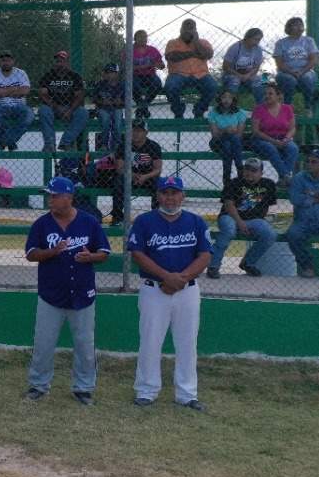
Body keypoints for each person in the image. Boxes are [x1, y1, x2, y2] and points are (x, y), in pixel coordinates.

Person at [23, 177, 110, 405]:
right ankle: (38, 385)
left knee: (84, 344)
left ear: (69, 198)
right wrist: (52, 252)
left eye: (54, 195)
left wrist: (91, 257)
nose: (50, 199)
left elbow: (104, 252)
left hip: (82, 293)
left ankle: (83, 388)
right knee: (43, 343)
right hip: (51, 293)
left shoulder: (89, 222)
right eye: (49, 195)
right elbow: (31, 254)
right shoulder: (42, 224)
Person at [128, 176, 212, 411]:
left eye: (175, 193)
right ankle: (146, 390)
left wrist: (180, 279)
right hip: (154, 289)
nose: (170, 197)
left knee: (187, 343)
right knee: (150, 342)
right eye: (165, 192)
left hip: (187, 291)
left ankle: (187, 394)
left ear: (182, 195)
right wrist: (167, 277)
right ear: (158, 195)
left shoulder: (195, 221)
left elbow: (205, 256)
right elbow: (138, 253)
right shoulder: (145, 221)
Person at [207, 158, 277, 280]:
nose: (249, 172)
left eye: (254, 170)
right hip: (230, 217)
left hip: (254, 220)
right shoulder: (234, 182)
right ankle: (213, 266)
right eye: (247, 169)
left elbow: (267, 207)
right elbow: (229, 205)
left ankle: (248, 263)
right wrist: (240, 223)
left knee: (270, 234)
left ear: (261, 172)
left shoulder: (268, 184)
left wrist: (260, 222)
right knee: (229, 230)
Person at [109, 119, 163, 226]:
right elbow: (120, 168)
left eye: (139, 131)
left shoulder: (153, 146)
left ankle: (157, 216)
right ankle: (117, 217)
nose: (136, 133)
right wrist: (132, 175)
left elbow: (158, 169)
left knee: (159, 183)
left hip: (147, 177)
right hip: (128, 177)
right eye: (133, 130)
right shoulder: (123, 145)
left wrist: (144, 177)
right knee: (118, 181)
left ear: (146, 132)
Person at [163, 19, 218, 119]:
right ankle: (178, 111)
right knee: (170, 86)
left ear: (195, 30)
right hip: (178, 74)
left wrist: (196, 42)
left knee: (213, 86)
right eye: (186, 28)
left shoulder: (203, 42)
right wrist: (193, 54)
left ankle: (199, 110)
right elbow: (171, 56)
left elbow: (208, 54)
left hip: (201, 74)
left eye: (191, 28)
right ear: (181, 30)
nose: (188, 31)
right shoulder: (173, 42)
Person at [37, 50, 89, 153]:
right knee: (43, 110)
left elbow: (79, 96)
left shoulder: (75, 76)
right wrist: (55, 106)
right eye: (57, 61)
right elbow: (43, 94)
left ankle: (66, 142)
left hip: (70, 107)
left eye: (62, 61)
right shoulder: (48, 76)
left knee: (83, 113)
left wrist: (70, 110)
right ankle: (50, 144)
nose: (59, 64)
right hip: (53, 108)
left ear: (67, 63)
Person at [286, 148, 319, 279]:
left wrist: (310, 195)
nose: (309, 164)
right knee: (293, 235)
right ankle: (307, 266)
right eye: (308, 161)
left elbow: (303, 198)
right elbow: (295, 199)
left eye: (314, 161)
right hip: (304, 222)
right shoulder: (299, 178)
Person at [249, 87, 298, 186]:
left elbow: (292, 128)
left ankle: (283, 179)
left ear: (278, 96)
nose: (267, 96)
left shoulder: (287, 108)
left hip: (283, 138)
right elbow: (256, 131)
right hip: (263, 139)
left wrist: (285, 139)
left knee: (293, 148)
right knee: (270, 147)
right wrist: (273, 141)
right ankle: (286, 176)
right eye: (265, 94)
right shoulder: (259, 109)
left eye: (270, 93)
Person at [0, 52, 33, 151]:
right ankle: (10, 141)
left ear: (13, 61)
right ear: (0, 61)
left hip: (19, 105)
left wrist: (2, 92)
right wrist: (15, 89)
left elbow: (25, 91)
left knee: (29, 115)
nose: (6, 63)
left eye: (8, 60)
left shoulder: (21, 73)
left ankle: (4, 140)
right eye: (3, 60)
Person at [273, 16, 319, 107]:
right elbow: (280, 63)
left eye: (301, 25)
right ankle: (287, 107)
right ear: (289, 28)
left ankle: (309, 107)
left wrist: (302, 71)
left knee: (307, 78)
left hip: (306, 71)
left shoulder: (309, 41)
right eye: (296, 25)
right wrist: (291, 72)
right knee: (289, 80)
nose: (300, 27)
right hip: (286, 72)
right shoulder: (281, 43)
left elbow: (313, 59)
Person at [206, 90, 248, 183]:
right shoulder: (214, 113)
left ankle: (227, 178)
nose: (226, 100)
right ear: (220, 99)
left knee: (228, 145)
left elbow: (239, 134)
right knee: (227, 143)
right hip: (218, 142)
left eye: (229, 97)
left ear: (233, 100)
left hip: (234, 142)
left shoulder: (239, 112)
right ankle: (240, 167)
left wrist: (232, 132)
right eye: (224, 97)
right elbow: (215, 135)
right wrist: (225, 130)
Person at [222, 28, 266, 104]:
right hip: (231, 75)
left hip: (247, 76)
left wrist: (247, 75)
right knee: (234, 81)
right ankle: (231, 107)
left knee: (257, 82)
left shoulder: (258, 49)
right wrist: (239, 75)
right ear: (248, 37)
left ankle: (261, 108)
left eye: (259, 40)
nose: (257, 42)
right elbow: (225, 67)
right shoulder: (235, 47)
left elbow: (256, 67)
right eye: (255, 39)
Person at [130, 29, 165, 120]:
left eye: (145, 37)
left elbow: (162, 65)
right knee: (132, 85)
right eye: (140, 37)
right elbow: (127, 68)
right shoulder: (129, 50)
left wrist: (158, 64)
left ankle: (142, 106)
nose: (143, 39)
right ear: (135, 38)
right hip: (135, 75)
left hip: (150, 74)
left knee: (157, 84)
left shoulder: (152, 50)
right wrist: (147, 65)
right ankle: (142, 107)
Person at [91, 62, 125, 150]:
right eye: (107, 72)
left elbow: (126, 101)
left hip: (116, 108)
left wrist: (120, 101)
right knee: (105, 119)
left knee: (117, 122)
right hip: (103, 109)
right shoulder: (100, 84)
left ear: (117, 73)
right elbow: (94, 99)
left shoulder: (122, 86)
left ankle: (117, 144)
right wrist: (102, 101)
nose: (109, 74)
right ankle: (104, 144)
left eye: (112, 72)